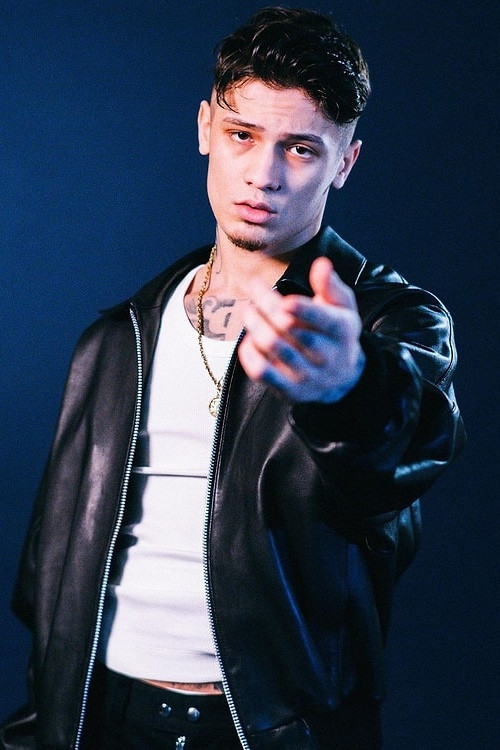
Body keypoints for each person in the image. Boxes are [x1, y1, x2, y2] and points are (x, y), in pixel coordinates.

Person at [1, 6, 465, 750]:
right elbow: (51, 579)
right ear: (205, 130)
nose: (262, 174)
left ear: (344, 164)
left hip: (266, 731)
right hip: (101, 716)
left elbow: (406, 455)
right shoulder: (118, 339)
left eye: (301, 149)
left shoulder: (388, 323)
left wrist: (347, 389)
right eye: (242, 135)